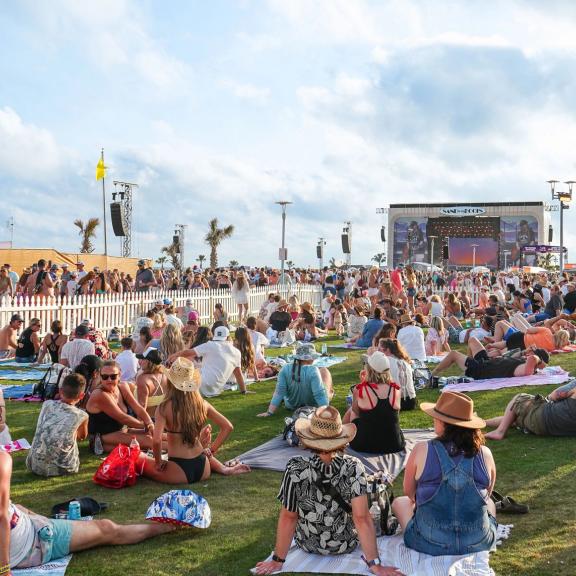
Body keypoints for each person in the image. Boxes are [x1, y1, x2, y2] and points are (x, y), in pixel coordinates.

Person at [254, 406, 402, 576]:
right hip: (345, 544)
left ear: (309, 438)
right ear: (342, 438)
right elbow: (361, 518)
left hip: (308, 543)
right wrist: (375, 565)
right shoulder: (353, 467)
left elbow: (289, 517)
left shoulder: (295, 467)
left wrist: (277, 560)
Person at [1, 451, 175, 572]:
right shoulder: (2, 461)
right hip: (32, 541)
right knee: (107, 528)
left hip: (24, 529)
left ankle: (42, 520)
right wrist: (4, 570)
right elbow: (2, 517)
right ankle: (167, 527)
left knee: (23, 509)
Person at [391, 392, 497, 556]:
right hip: (477, 542)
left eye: (436, 416)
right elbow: (487, 493)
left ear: (444, 422)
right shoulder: (485, 453)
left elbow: (409, 493)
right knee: (489, 502)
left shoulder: (421, 449)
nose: (434, 419)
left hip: (429, 543)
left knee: (400, 502)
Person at [139, 357, 250, 484]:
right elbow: (227, 427)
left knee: (139, 458)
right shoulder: (202, 403)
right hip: (203, 467)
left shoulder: (164, 407)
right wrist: (211, 452)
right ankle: (223, 469)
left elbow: (157, 440)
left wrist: (158, 463)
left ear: (171, 381)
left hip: (178, 470)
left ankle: (224, 469)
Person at [86, 360, 158, 452]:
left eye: (113, 376)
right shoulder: (99, 394)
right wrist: (147, 426)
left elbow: (138, 408)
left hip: (122, 430)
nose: (109, 380)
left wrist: (150, 423)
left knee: (158, 435)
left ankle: (179, 447)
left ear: (119, 375)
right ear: (100, 377)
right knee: (148, 440)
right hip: (101, 438)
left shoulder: (123, 386)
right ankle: (177, 454)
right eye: (105, 377)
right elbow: (122, 418)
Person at [26, 373, 88, 476]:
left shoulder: (47, 404)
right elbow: (82, 437)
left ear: (60, 391)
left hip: (34, 465)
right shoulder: (82, 415)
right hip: (64, 468)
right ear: (82, 396)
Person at [344, 352, 404, 454]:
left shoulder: (360, 389)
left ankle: (341, 434)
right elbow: (394, 415)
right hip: (394, 444)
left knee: (352, 410)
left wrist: (362, 382)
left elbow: (356, 412)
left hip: (364, 445)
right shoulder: (396, 389)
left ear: (369, 369)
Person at [168, 326, 251, 397]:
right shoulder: (236, 352)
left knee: (177, 371)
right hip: (215, 390)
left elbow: (188, 352)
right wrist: (243, 390)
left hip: (200, 385)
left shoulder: (210, 345)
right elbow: (238, 374)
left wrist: (173, 356)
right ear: (228, 337)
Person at [257, 343, 332, 417]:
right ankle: (330, 393)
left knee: (283, 390)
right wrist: (326, 412)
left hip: (291, 405)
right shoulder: (313, 370)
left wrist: (269, 412)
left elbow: (279, 392)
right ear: (310, 358)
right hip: (312, 405)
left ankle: (282, 400)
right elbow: (319, 394)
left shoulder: (285, 369)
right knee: (324, 371)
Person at [485, 379, 576, 440]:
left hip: (543, 419)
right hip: (560, 427)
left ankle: (500, 431)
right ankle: (483, 422)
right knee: (517, 417)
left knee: (520, 398)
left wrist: (547, 400)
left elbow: (557, 394)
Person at [431, 337, 548, 380]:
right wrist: (523, 352)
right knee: (472, 340)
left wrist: (537, 359)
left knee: (453, 354)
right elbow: (508, 357)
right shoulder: (523, 361)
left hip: (482, 370)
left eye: (532, 352)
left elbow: (532, 362)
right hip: (486, 362)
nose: (529, 353)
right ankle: (467, 369)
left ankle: (432, 374)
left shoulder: (528, 366)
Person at [378, 338, 417, 410]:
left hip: (396, 402)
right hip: (411, 401)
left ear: (388, 350)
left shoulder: (385, 361)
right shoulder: (404, 360)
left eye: (379, 350)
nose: (378, 352)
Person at [136, 347, 168, 418]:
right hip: (163, 421)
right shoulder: (165, 376)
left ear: (148, 361)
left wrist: (138, 427)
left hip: (149, 421)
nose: (139, 361)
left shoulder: (142, 379)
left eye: (142, 359)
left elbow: (142, 408)